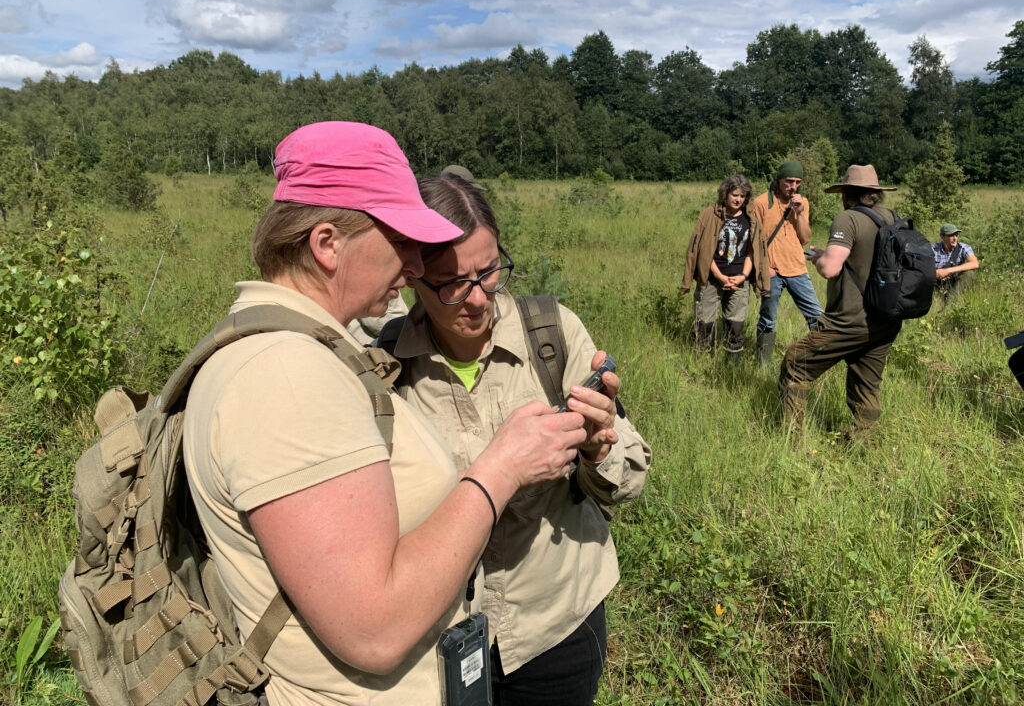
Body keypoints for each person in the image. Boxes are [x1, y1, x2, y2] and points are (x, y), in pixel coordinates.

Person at [182, 122, 590, 705]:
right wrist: (501, 467)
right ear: (327, 244)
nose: (415, 266)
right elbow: (374, 629)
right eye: (401, 242)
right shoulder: (286, 376)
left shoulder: (300, 349)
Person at [382, 173, 652, 706]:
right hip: (437, 636)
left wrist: (600, 447)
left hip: (556, 623)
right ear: (413, 275)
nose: (478, 298)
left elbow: (630, 476)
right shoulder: (384, 364)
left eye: (489, 272)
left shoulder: (551, 334)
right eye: (452, 282)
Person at [779, 164, 903, 438]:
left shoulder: (847, 218)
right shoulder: (891, 217)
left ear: (847, 193)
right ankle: (861, 442)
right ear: (874, 193)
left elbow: (830, 269)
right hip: (885, 320)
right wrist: (832, 255)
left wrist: (820, 258)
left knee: (795, 363)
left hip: (849, 320)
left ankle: (790, 438)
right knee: (866, 383)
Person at [680, 174, 769, 359]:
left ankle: (732, 368)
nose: (738, 199)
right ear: (725, 193)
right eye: (735, 194)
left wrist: (743, 276)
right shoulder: (710, 215)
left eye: (743, 196)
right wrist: (720, 277)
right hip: (711, 279)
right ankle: (700, 364)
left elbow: (753, 252)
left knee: (735, 327)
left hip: (739, 282)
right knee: (704, 325)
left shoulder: (750, 217)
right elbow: (703, 251)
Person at [752, 160, 823, 364]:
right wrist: (765, 269)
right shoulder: (761, 203)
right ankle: (762, 363)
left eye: (797, 182)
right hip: (772, 270)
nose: (793, 187)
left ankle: (818, 359)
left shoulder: (803, 202)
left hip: (797, 268)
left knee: (816, 316)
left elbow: (805, 238)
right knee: (768, 319)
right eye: (789, 181)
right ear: (779, 180)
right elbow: (754, 241)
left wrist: (799, 213)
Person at [932, 223, 979, 300]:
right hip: (936, 281)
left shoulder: (963, 248)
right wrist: (936, 273)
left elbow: (975, 263)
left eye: (956, 235)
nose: (955, 238)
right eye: (951, 236)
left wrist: (948, 271)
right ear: (942, 237)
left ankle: (951, 301)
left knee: (969, 274)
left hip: (954, 281)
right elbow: (920, 266)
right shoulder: (933, 249)